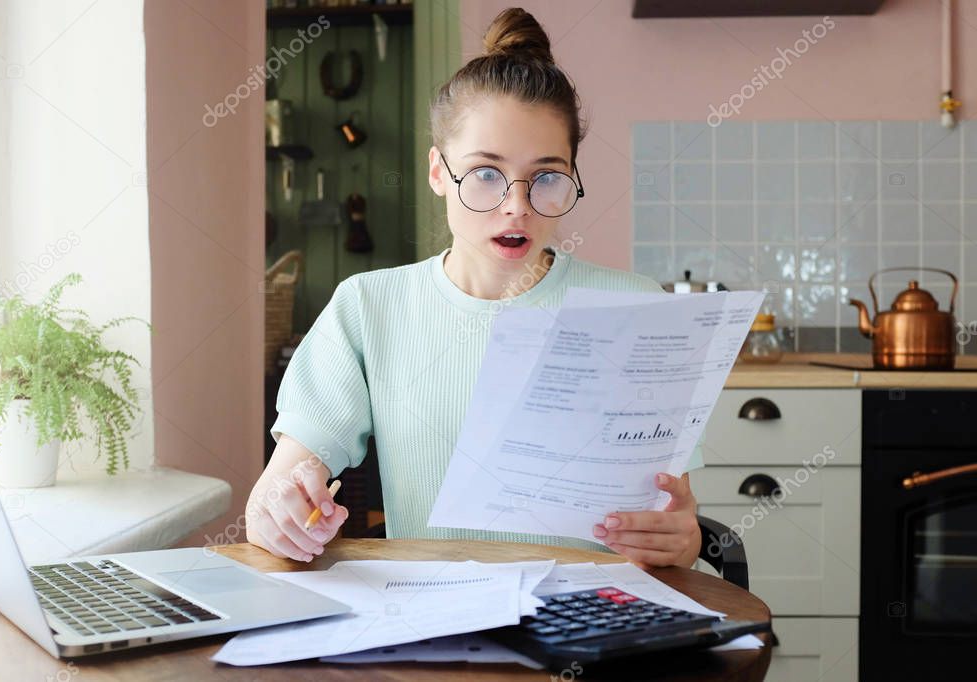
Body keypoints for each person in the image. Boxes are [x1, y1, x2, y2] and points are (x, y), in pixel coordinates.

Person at [246, 7, 702, 570]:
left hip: (595, 621)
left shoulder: (634, 308)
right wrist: (280, 511)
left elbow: (677, 526)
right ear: (438, 171)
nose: (516, 205)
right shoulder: (369, 307)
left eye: (547, 177)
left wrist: (681, 540)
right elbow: (279, 487)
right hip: (435, 621)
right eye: (486, 172)